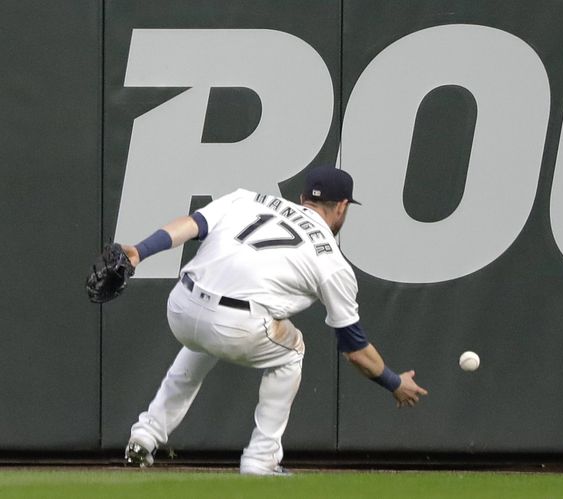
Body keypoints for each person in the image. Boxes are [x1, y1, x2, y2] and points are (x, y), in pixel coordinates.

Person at [120, 166, 428, 475]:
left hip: (182, 306)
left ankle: (144, 436)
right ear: (343, 207)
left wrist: (139, 252)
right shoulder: (331, 261)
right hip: (236, 326)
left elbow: (190, 225)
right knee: (292, 351)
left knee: (200, 345)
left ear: (303, 198)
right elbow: (355, 351)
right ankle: (261, 459)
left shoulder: (246, 199)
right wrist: (394, 382)